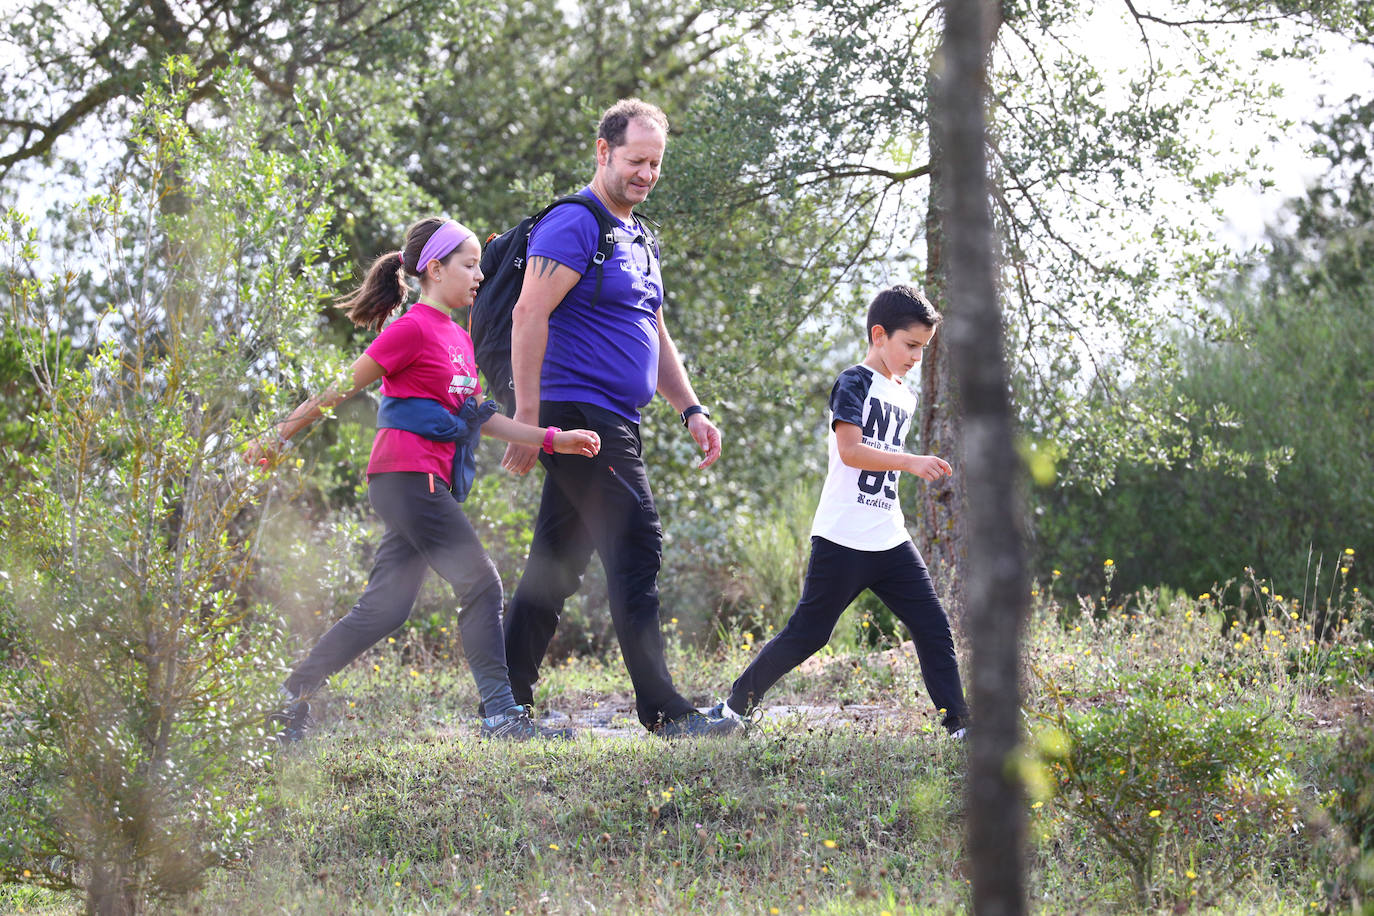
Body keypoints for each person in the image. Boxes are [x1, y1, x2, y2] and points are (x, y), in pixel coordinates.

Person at [247, 217, 601, 741]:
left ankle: (286, 700)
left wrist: (551, 438)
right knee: (481, 582)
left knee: (385, 609)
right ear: (434, 269)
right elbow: (339, 389)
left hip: (421, 480)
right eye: (469, 264)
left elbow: (476, 414)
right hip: (405, 477)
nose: (479, 275)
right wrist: (276, 437)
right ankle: (502, 717)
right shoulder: (410, 329)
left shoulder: (459, 338)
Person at [495, 98, 734, 737]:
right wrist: (526, 418)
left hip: (616, 417)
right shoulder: (574, 225)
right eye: (635, 160)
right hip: (574, 412)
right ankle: (667, 712)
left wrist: (690, 409)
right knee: (636, 544)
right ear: (603, 152)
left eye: (655, 163)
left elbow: (652, 331)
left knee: (556, 559)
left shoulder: (638, 236)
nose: (646, 174)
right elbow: (526, 316)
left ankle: (503, 707)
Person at [709, 285, 970, 738]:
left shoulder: (904, 394)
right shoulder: (854, 381)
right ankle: (733, 709)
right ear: (878, 335)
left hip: (889, 535)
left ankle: (961, 727)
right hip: (842, 537)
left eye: (923, 350)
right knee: (809, 634)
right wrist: (912, 462)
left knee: (933, 625)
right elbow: (850, 451)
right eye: (910, 346)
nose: (916, 358)